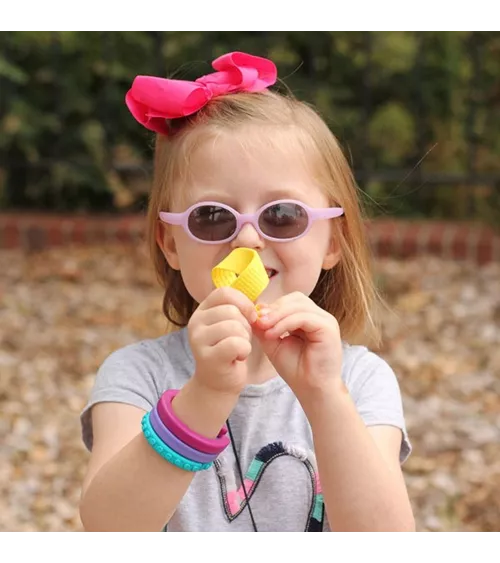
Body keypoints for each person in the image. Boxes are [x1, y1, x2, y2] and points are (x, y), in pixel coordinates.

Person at [79, 51, 415, 534]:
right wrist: (203, 397)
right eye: (212, 217)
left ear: (333, 241)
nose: (249, 240)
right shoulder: (139, 376)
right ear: (170, 243)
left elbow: (386, 542)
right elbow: (108, 529)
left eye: (282, 215)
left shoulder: (360, 381)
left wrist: (324, 397)